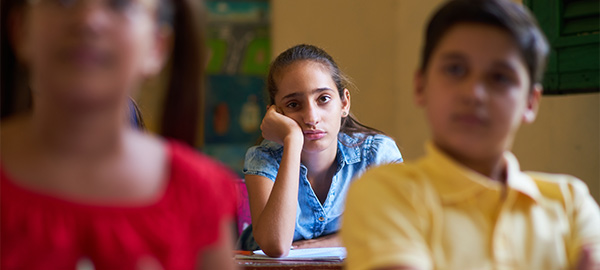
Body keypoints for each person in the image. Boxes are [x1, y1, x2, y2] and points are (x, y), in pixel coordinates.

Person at [341, 0, 600, 269]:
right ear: (421, 85)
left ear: (530, 102)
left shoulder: (570, 204)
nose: (474, 93)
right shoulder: (386, 194)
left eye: (500, 77)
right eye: (455, 69)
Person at [0, 0, 237, 268]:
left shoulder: (200, 193)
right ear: (21, 30)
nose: (88, 20)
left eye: (120, 5)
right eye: (63, 1)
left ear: (157, 46)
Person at [239, 44, 403, 257]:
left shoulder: (376, 154)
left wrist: (321, 244)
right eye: (293, 104)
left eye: (323, 99)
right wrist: (292, 139)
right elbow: (276, 246)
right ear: (276, 114)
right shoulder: (263, 158)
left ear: (344, 103)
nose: (311, 118)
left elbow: (398, 228)